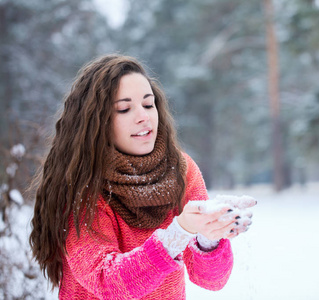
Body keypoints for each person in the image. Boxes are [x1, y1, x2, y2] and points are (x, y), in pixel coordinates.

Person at [29, 54, 256, 299]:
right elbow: (108, 283)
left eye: (148, 104)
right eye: (124, 109)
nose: (144, 116)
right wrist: (177, 234)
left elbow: (211, 280)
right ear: (96, 121)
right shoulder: (83, 186)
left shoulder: (182, 170)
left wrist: (208, 237)